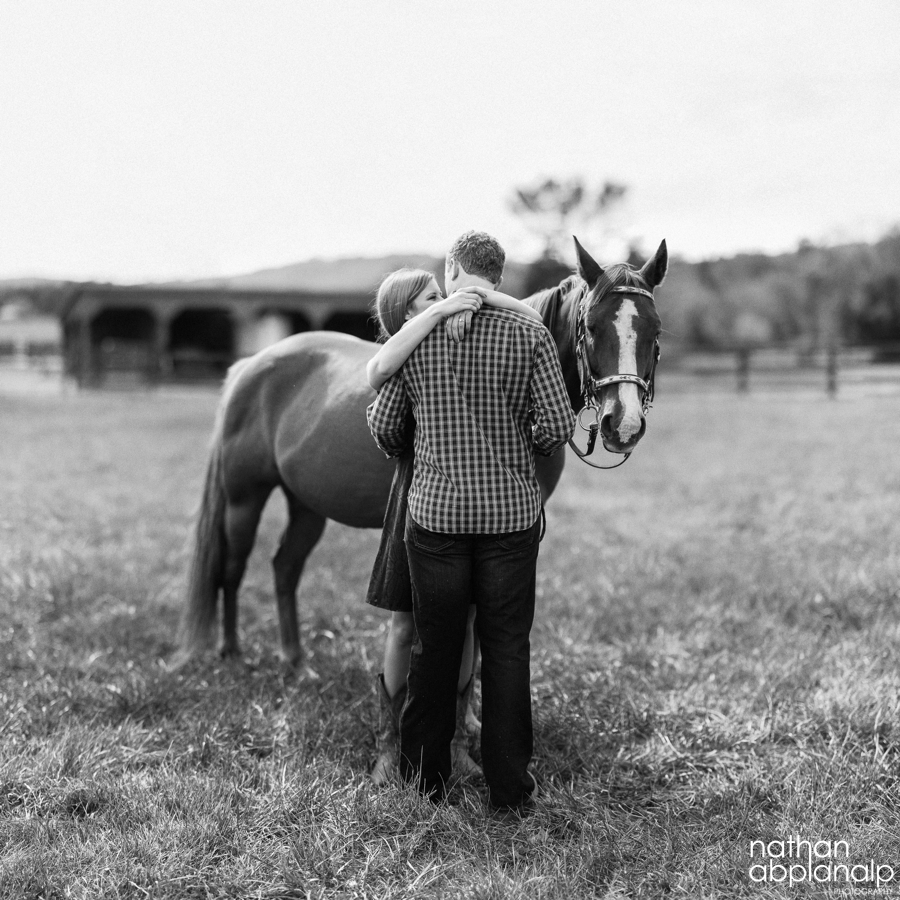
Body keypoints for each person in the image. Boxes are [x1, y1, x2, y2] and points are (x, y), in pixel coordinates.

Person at [367, 231, 574, 813]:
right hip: (509, 521)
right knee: (507, 649)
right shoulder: (530, 333)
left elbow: (384, 429)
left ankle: (425, 782)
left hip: (435, 519)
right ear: (500, 278)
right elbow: (555, 428)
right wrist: (516, 440)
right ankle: (509, 792)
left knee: (435, 647)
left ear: (454, 270)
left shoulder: (422, 335)